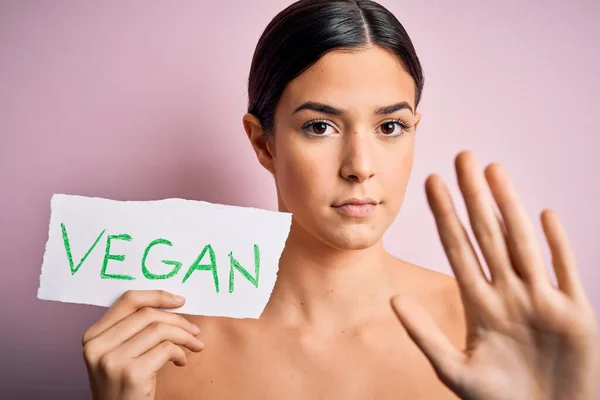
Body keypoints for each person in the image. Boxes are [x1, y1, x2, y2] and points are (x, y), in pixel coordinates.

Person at [80, 0, 599, 399]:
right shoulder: (162, 353)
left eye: (390, 126)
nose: (360, 166)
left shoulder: (494, 334)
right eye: (320, 126)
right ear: (263, 142)